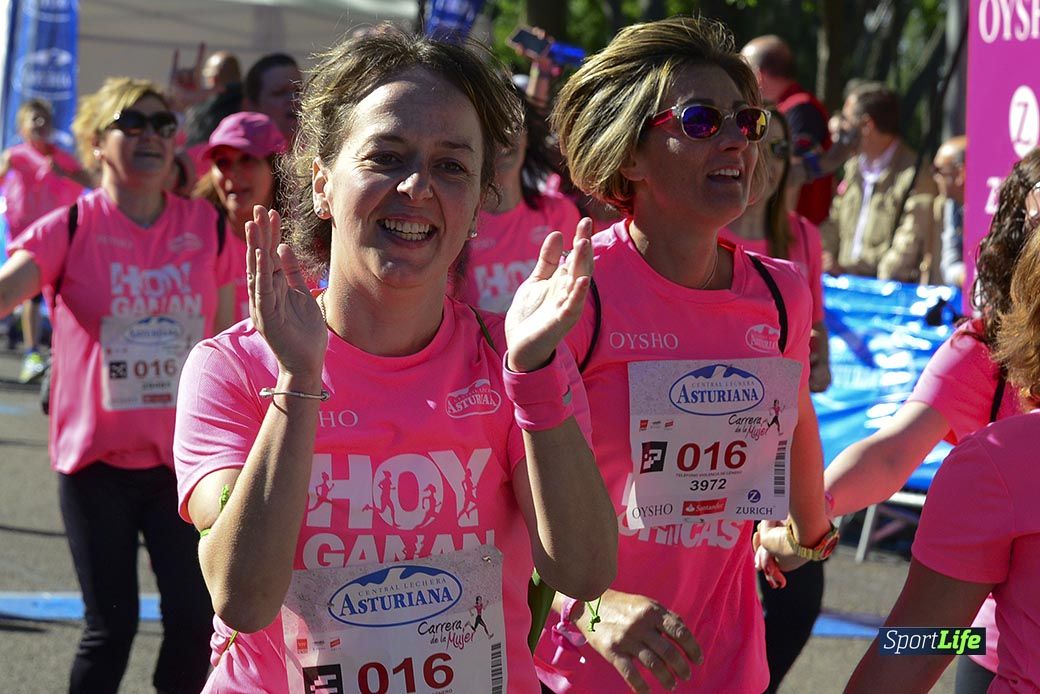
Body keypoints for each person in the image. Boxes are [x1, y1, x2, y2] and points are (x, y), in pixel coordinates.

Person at [172, 28, 618, 694]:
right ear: (322, 182)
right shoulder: (234, 368)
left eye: (451, 166)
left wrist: (534, 379)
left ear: (474, 208)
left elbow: (582, 573)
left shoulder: (518, 363)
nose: (417, 187)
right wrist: (298, 383)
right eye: (386, 155)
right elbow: (242, 598)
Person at [536, 16, 835, 693]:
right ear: (630, 154)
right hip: (591, 665)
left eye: (747, 122)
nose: (736, 139)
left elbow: (794, 416)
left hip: (727, 661)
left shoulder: (781, 292)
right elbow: (506, 495)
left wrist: (809, 533)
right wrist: (589, 605)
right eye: (702, 120)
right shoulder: (579, 294)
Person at [0, 77, 237, 694]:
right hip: (95, 467)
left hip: (184, 469)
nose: (150, 135)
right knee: (111, 629)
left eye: (162, 124)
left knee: (194, 623)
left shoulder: (206, 228)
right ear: (96, 143)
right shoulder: (72, 225)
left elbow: (231, 332)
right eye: (131, 123)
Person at [823, 148, 1040, 694]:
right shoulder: (983, 354)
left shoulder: (997, 459)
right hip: (975, 637)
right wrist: (805, 517)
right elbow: (891, 453)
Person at [723, 107, 830, 393]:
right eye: (761, 145)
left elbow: (816, 320)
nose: (770, 162)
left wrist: (821, 365)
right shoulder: (703, 232)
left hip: (789, 407)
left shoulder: (805, 235)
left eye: (780, 149)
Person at [454, 86, 581, 312]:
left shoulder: (561, 214)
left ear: (527, 135)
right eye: (490, 128)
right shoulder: (455, 224)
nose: (503, 139)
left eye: (512, 124)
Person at [0, 98, 90, 382]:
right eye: (34, 120)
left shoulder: (61, 157)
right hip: (27, 239)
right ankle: (32, 353)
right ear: (23, 129)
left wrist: (62, 173)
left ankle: (58, 354)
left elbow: (91, 180)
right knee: (31, 294)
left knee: (61, 296)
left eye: (44, 120)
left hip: (61, 238)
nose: (40, 125)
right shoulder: (16, 155)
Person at [820, 82, 937, 280]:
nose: (843, 127)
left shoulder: (915, 174)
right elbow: (834, 220)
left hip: (885, 296)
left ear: (867, 125)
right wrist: (824, 256)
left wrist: (868, 280)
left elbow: (908, 243)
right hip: (842, 287)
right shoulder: (853, 168)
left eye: (847, 120)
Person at [193, 111, 286, 321]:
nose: (233, 174)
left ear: (275, 167)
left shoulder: (305, 243)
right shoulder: (194, 238)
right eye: (222, 162)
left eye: (247, 159)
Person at [740, 35, 833, 225]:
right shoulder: (790, 108)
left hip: (797, 233)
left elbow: (798, 170)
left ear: (757, 75)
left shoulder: (802, 109)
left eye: (744, 72)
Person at [880, 135, 967, 285]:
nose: (934, 177)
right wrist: (966, 276)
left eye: (939, 170)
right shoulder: (948, 205)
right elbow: (950, 261)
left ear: (960, 173)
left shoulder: (987, 208)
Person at [243, 52, 301, 140]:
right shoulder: (235, 151)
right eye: (279, 93)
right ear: (251, 106)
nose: (294, 99)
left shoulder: (322, 150)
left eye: (298, 91)